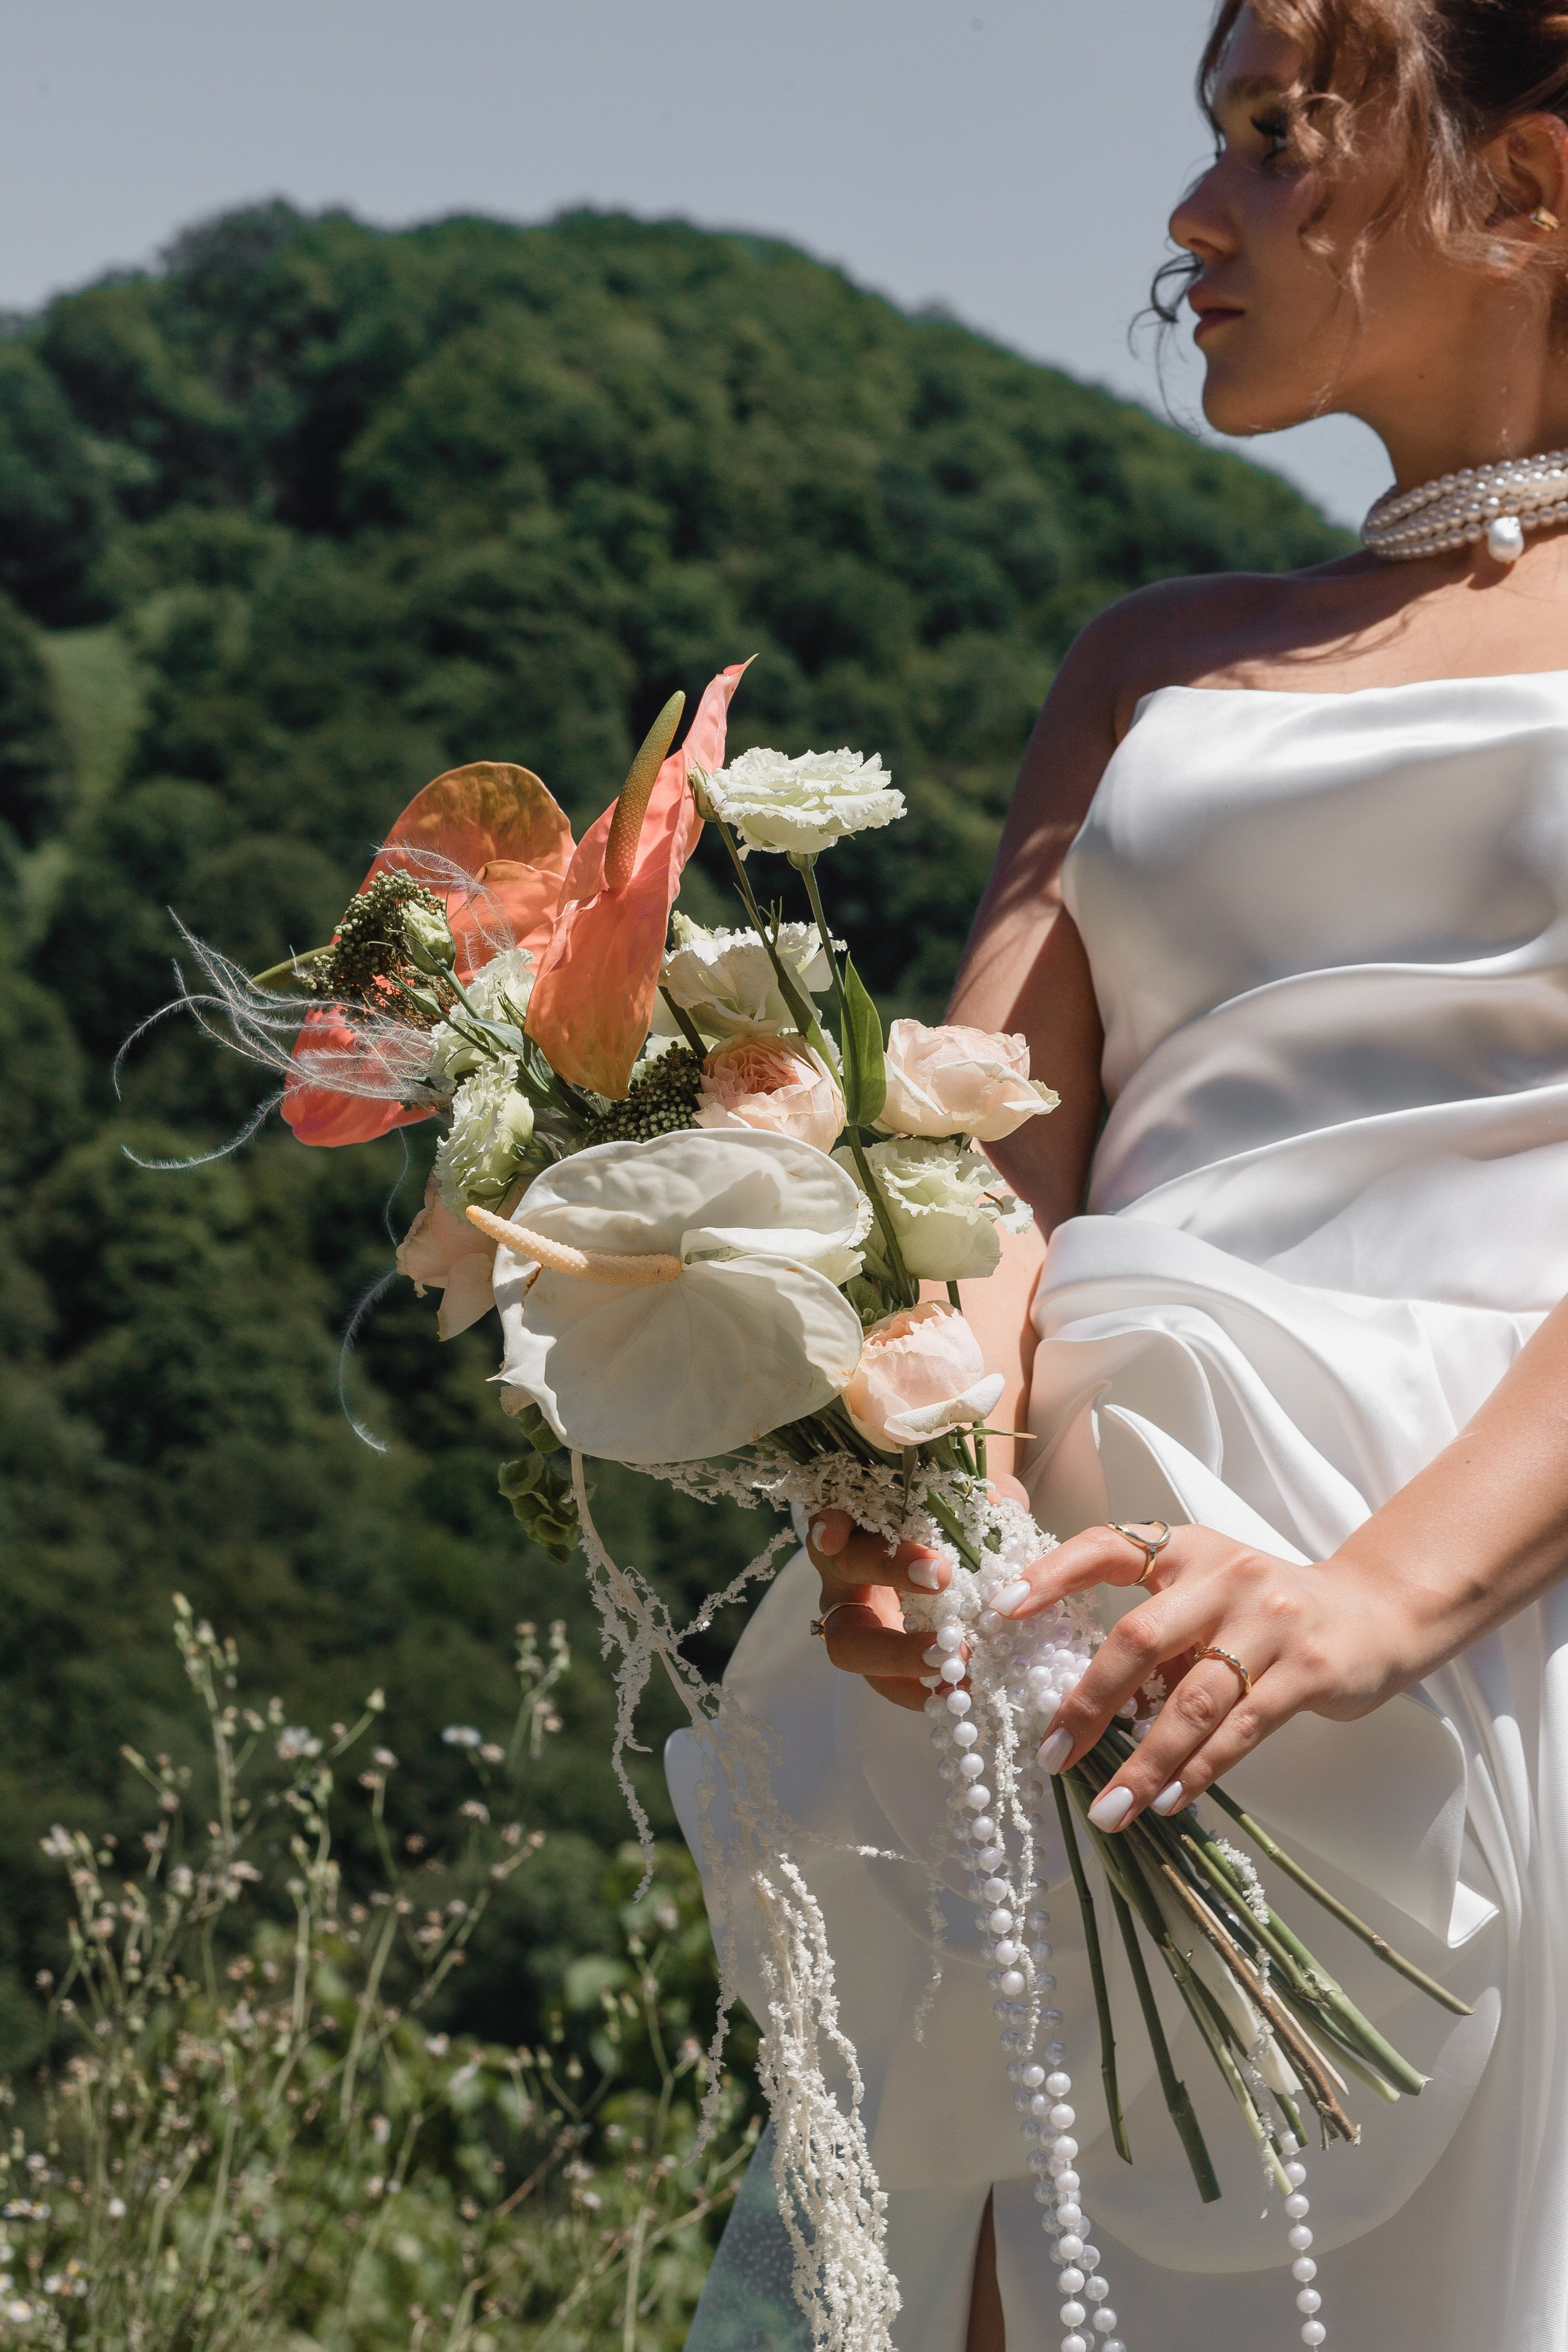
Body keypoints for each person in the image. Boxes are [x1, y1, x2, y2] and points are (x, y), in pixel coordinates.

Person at [676, 2, 1568, 2344]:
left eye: (1283, 139)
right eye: (1215, 144)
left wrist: (1374, 1605)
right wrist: (929, 1474)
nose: (1197, 221)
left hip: (1490, 1616)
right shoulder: (1149, 666)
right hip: (1099, 1635)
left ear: (1535, 197)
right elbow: (988, 1163)